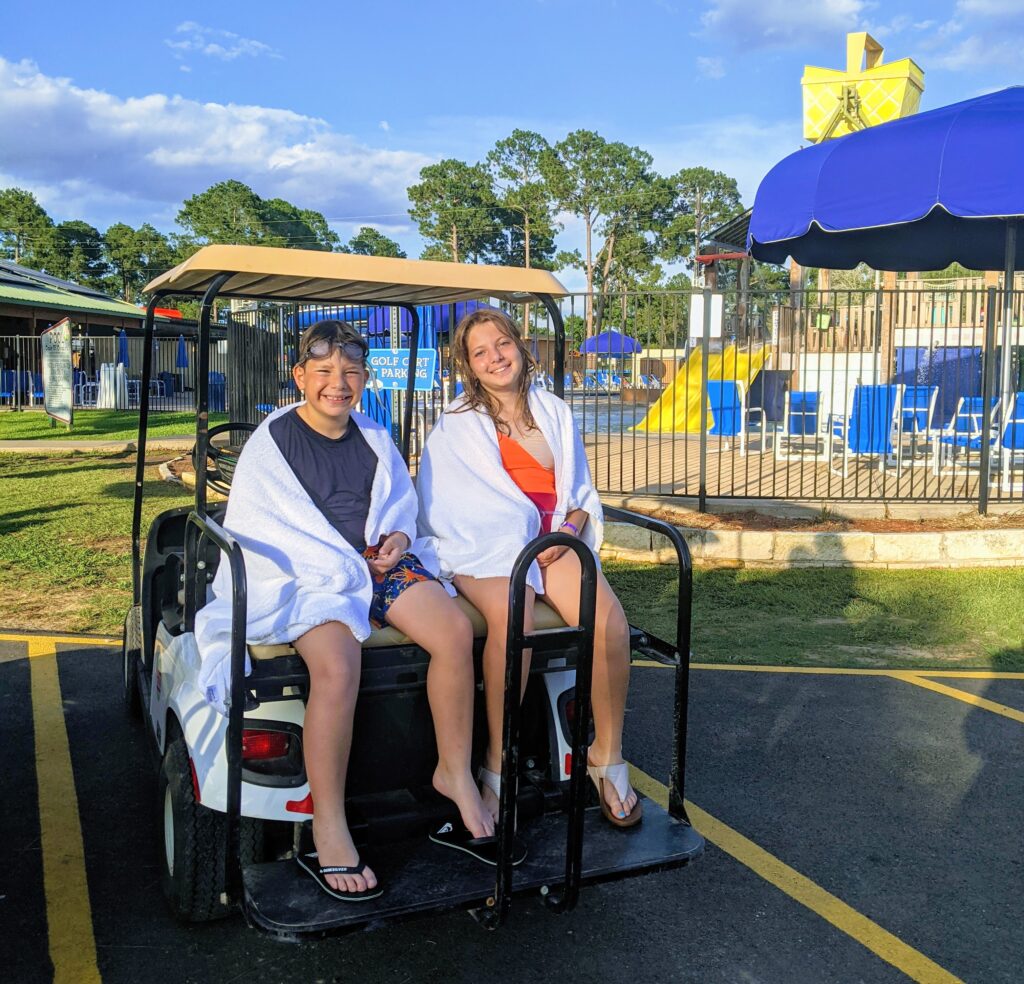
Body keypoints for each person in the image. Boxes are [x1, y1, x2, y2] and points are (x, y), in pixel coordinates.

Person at [194, 320, 493, 903]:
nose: (339, 383)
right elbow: (265, 530)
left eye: (351, 372)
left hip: (374, 567)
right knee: (336, 664)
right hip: (310, 575)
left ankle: (453, 772)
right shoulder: (272, 442)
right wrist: (345, 564)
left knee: (454, 631)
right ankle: (329, 824)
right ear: (299, 376)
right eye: (325, 372)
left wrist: (397, 542)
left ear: (364, 378)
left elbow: (398, 510)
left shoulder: (375, 437)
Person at [417, 309, 641, 829]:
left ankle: (606, 757)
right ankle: (496, 765)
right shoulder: (456, 425)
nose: (496, 356)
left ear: (520, 346)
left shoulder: (556, 412)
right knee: (513, 620)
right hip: (484, 550)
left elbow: (579, 493)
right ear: (469, 366)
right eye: (481, 351)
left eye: (503, 343)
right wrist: (524, 537)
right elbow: (450, 509)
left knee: (608, 623)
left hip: (553, 543)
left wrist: (569, 527)